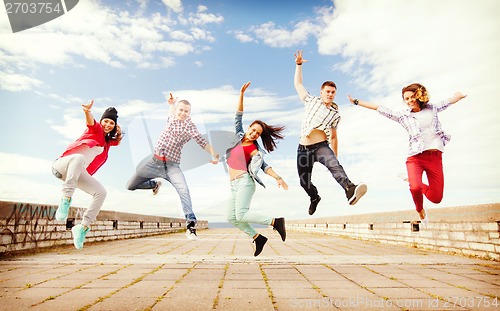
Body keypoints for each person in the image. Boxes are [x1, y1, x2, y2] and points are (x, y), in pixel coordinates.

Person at [348, 83, 466, 227]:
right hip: (415, 158)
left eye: (411, 97)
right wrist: (356, 102)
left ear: (418, 95)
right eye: (406, 99)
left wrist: (458, 96)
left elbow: (447, 102)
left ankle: (409, 179)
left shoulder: (432, 108)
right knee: (415, 188)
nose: (409, 101)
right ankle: (420, 210)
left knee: (436, 198)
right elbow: (379, 108)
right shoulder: (403, 116)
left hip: (435, 158)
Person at [127, 92, 219, 240]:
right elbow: (171, 111)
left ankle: (190, 226)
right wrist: (171, 104)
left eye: (186, 111)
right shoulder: (171, 117)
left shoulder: (190, 127)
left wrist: (214, 155)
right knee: (130, 185)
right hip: (153, 162)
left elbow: (202, 142)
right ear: (177, 110)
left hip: (172, 167)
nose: (182, 113)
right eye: (180, 110)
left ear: (189, 113)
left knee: (184, 190)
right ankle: (154, 184)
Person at [293, 50, 367, 216]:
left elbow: (333, 136)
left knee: (335, 166)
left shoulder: (336, 114)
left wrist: (335, 156)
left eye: (333, 92)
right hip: (303, 149)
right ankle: (314, 197)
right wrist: (298, 66)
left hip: (321, 146)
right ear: (321, 92)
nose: (330, 94)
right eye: (327, 91)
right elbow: (298, 85)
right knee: (304, 182)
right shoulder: (311, 100)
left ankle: (350, 189)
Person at [225, 81, 288, 257]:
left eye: (258, 133)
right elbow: (238, 117)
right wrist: (242, 94)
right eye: (253, 130)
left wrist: (278, 177)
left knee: (242, 214)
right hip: (233, 185)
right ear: (249, 128)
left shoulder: (255, 150)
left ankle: (276, 222)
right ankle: (257, 237)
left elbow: (264, 166)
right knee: (231, 217)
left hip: (245, 182)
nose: (254, 134)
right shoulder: (238, 136)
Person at [52, 101, 122, 249]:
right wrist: (87, 111)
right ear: (101, 121)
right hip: (61, 165)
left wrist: (119, 133)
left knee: (101, 192)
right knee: (79, 158)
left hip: (76, 173)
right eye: (106, 121)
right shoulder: (94, 130)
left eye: (111, 123)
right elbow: (91, 123)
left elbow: (116, 142)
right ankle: (66, 199)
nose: (107, 125)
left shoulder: (107, 143)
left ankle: (82, 227)